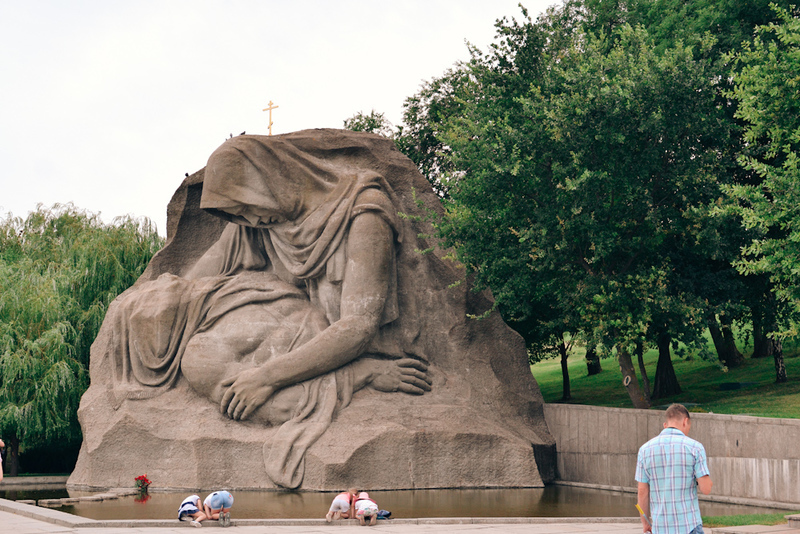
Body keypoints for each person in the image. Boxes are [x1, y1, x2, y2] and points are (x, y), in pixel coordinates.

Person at [635, 403, 713, 534]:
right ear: (685, 421)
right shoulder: (695, 447)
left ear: (665, 425)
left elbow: (642, 491)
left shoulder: (644, 450)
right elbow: (706, 489)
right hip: (689, 525)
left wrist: (645, 522)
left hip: (660, 527)